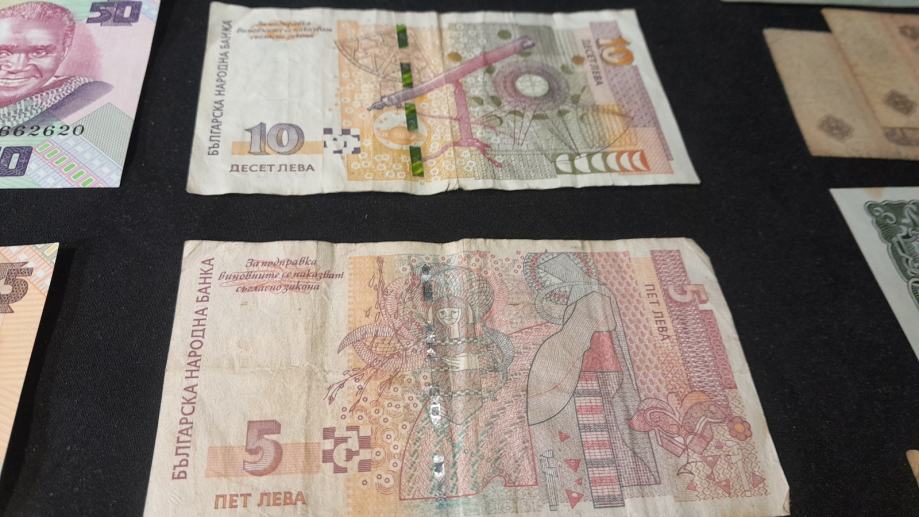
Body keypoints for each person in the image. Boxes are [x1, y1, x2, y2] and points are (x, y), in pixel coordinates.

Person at [0, 1, 111, 128]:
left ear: (64, 51)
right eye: (2, 52)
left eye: (39, 52)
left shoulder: (93, 97)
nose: (18, 66)